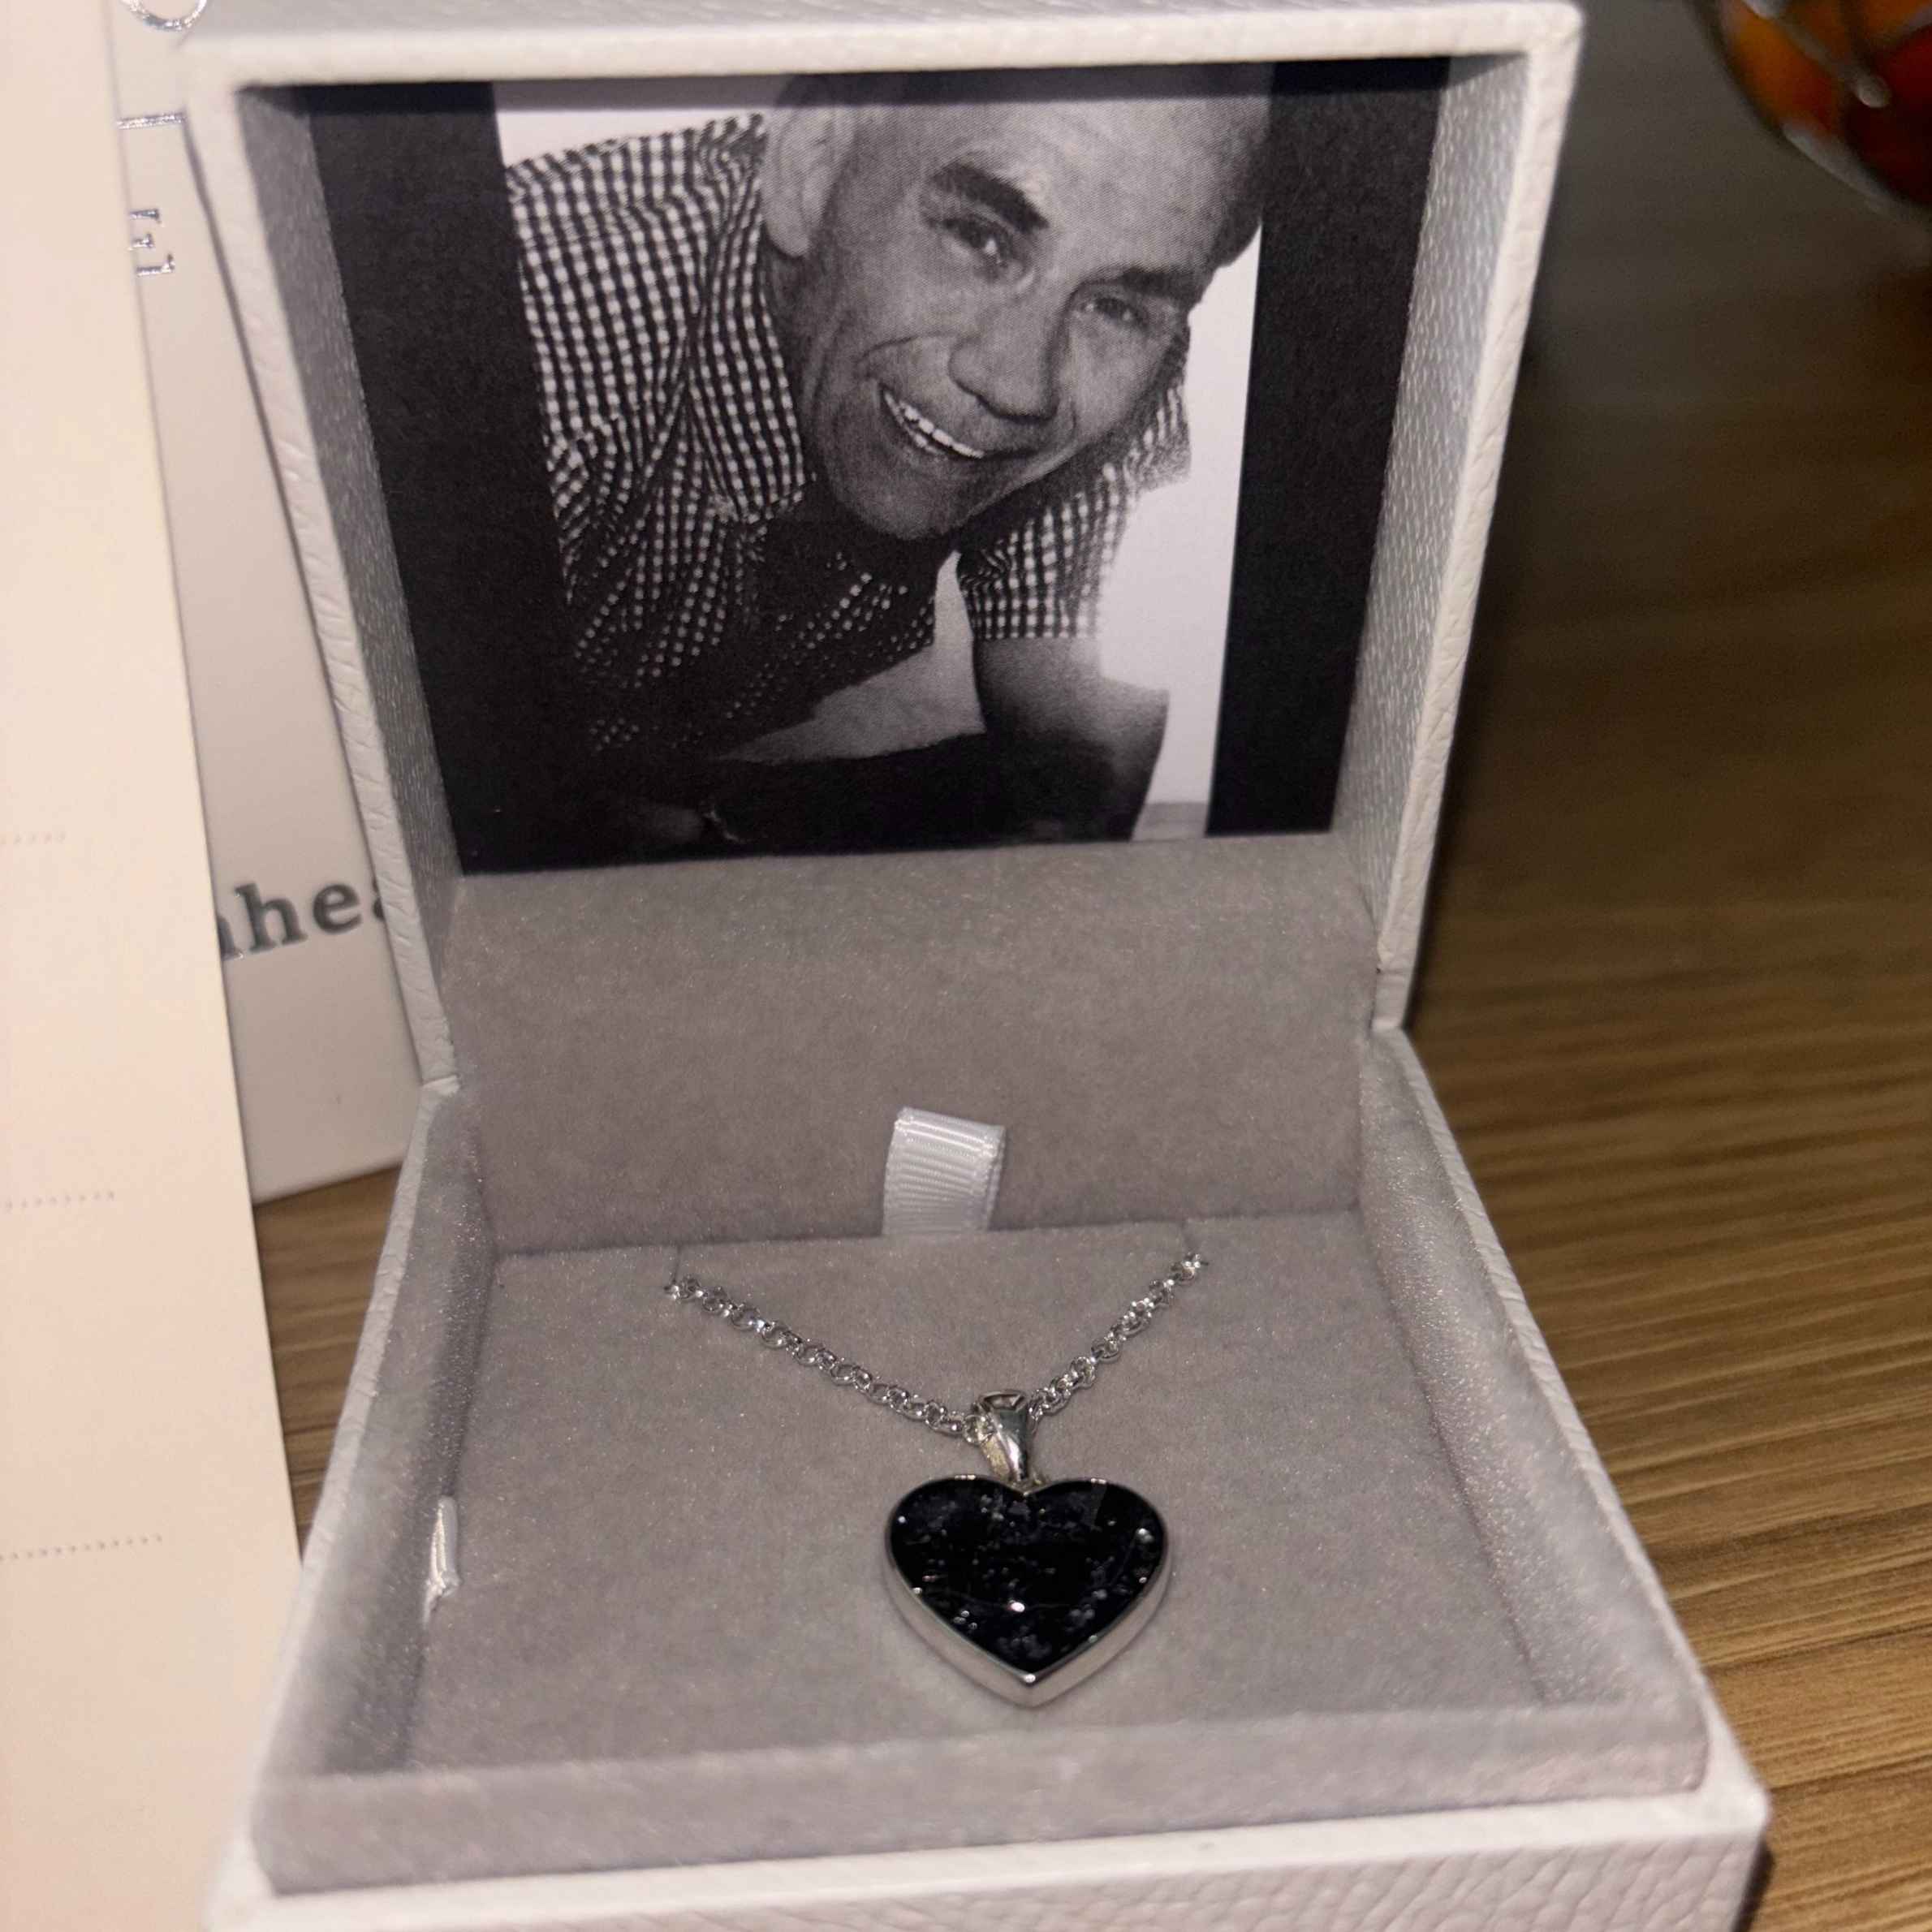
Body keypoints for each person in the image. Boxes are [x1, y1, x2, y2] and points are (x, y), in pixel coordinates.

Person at [507, 67, 1271, 852]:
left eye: (1114, 305)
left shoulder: (1108, 359)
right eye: (980, 239)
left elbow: (1075, 760)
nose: (1019, 386)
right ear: (812, 170)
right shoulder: (537, 383)